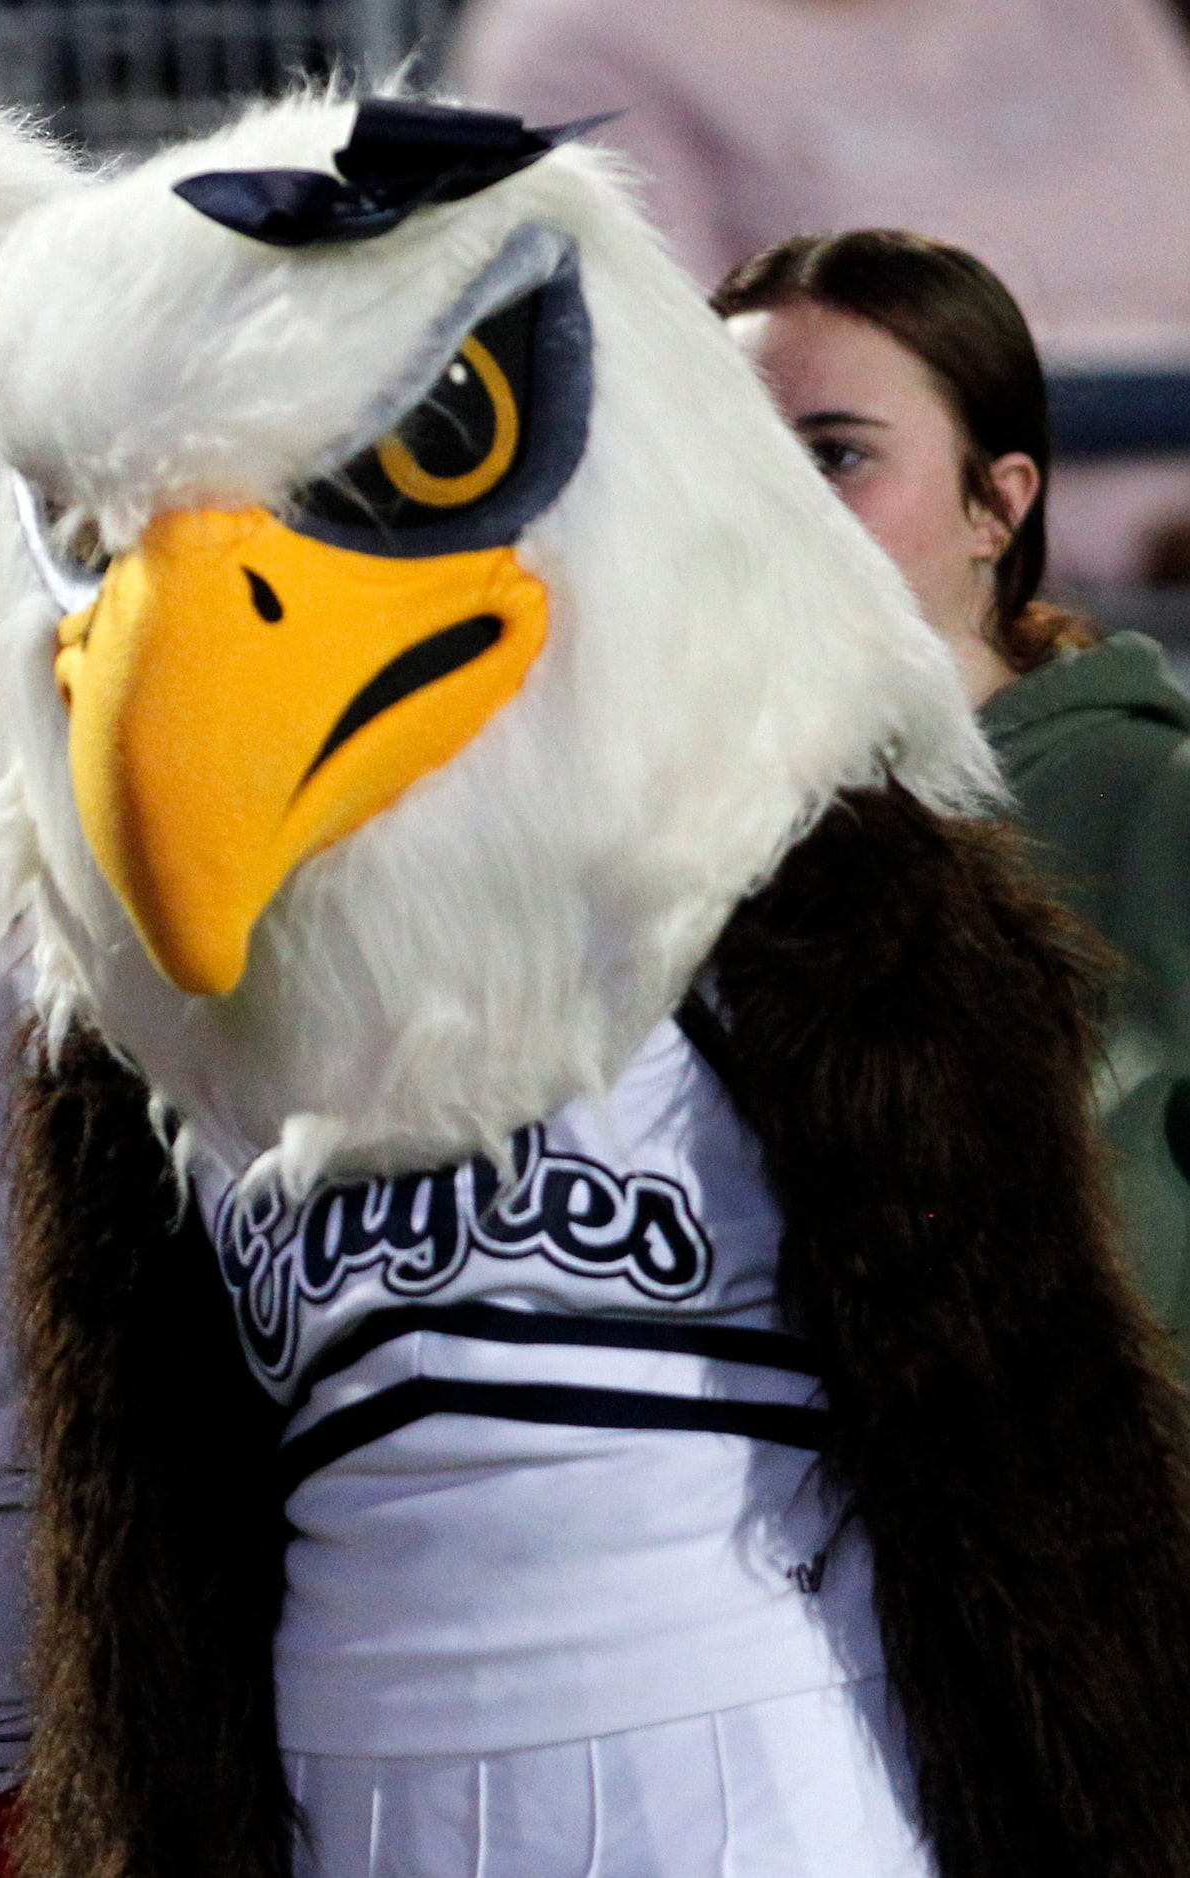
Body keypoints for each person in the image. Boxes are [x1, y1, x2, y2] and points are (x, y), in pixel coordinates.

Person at [718, 229, 1190, 1378]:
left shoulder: (1152, 802)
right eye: (732, 456)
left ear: (997, 504)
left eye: (835, 456)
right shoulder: (656, 839)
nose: (775, 504)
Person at [443, 0, 1190, 588]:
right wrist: (1136, 529)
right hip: (961, 605)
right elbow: (684, 404)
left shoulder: (1094, 11)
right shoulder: (577, 39)